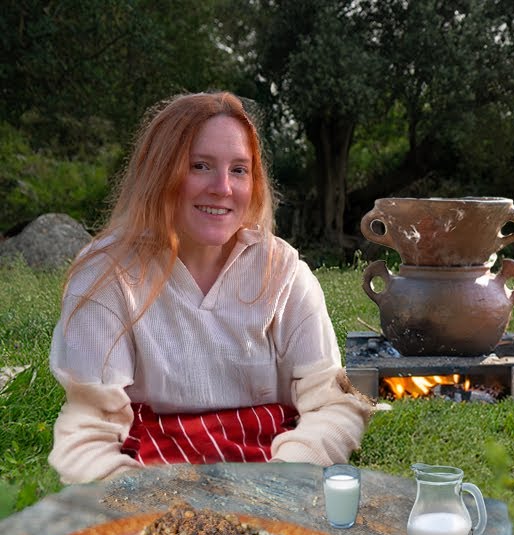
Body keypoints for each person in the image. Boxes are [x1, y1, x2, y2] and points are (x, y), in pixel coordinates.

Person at [48, 91, 373, 484]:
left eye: (239, 170)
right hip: (151, 482)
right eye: (200, 166)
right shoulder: (106, 276)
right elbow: (89, 434)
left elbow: (332, 403)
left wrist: (286, 481)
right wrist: (143, 513)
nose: (223, 187)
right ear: (159, 173)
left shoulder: (282, 271)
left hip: (272, 476)